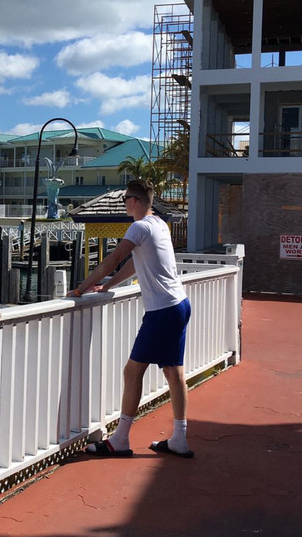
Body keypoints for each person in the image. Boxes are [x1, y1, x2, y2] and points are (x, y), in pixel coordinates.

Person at [69, 179, 193, 458]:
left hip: (162, 311)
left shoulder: (139, 227)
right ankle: (180, 440)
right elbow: (135, 263)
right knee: (174, 372)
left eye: (126, 199)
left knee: (132, 371)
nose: (125, 203)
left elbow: (111, 261)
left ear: (134, 201)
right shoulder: (159, 224)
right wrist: (109, 286)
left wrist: (80, 288)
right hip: (180, 304)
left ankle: (121, 439)